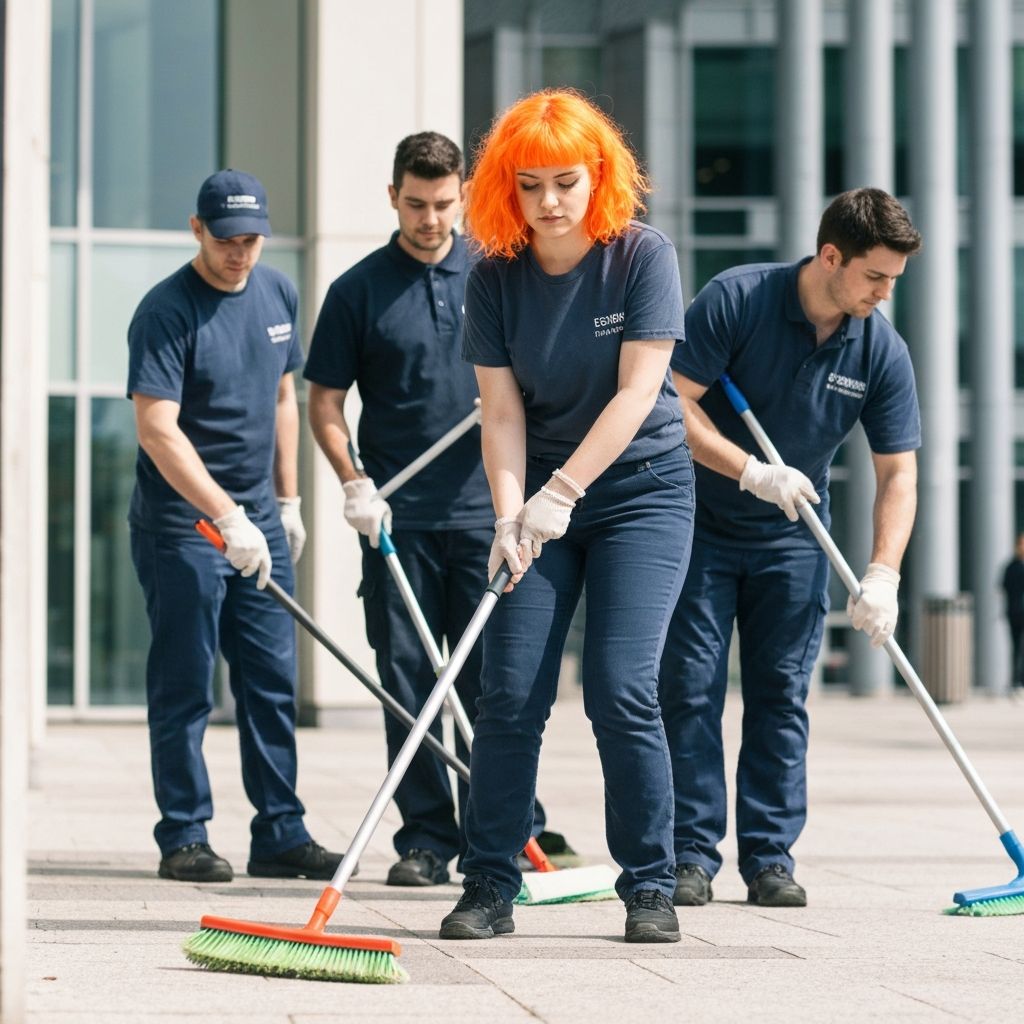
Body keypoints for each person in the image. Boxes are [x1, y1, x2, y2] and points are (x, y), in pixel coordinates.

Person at [437, 89, 695, 944]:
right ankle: (488, 883)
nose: (548, 202)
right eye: (530, 185)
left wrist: (562, 494)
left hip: (641, 491)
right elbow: (501, 411)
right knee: (509, 693)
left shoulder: (642, 257)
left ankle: (650, 884)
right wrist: (511, 516)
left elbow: (638, 393)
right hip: (539, 496)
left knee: (620, 689)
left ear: (599, 177)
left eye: (565, 182)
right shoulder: (493, 277)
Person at [305, 132, 572, 887]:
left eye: (444, 204)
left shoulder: (498, 275)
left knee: (496, 683)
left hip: (491, 515)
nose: (430, 219)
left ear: (465, 197)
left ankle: (508, 831)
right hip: (398, 520)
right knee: (409, 683)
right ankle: (425, 838)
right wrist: (354, 482)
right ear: (393, 197)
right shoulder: (357, 290)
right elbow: (324, 402)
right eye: (416, 204)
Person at [658, 188, 922, 909]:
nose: (884, 293)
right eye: (875, 276)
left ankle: (769, 857)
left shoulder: (879, 348)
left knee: (780, 695)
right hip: (701, 524)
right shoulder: (737, 300)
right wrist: (749, 470)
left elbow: (898, 474)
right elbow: (670, 402)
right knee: (691, 689)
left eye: (894, 280)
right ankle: (689, 854)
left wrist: (883, 573)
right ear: (831, 256)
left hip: (796, 537)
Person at [127, 169, 341, 884]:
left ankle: (280, 832)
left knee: (272, 680)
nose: (238, 253)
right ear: (197, 230)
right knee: (186, 683)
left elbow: (283, 398)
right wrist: (223, 514)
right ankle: (184, 834)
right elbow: (158, 430)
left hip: (259, 521)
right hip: (182, 527)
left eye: (251, 240)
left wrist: (287, 502)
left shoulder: (277, 292)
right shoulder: (166, 311)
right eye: (225, 240)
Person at [1002, 533, 1024, 691]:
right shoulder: (1012, 567)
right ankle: (1017, 681)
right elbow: (1005, 586)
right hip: (1015, 613)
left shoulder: (1013, 566)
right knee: (1016, 647)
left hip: (1016, 611)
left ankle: (1020, 680)